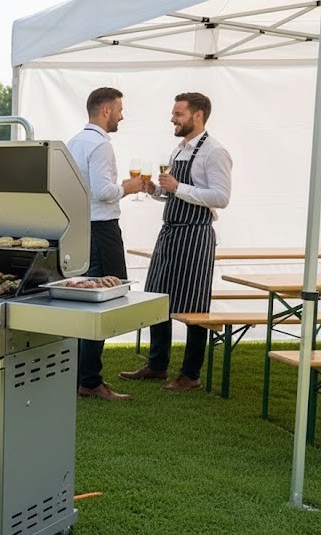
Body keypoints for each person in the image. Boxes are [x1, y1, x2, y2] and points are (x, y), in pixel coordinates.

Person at [120, 92, 232, 392]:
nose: (173, 118)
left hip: (196, 235)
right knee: (157, 298)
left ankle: (191, 374)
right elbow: (173, 193)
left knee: (194, 304)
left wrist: (179, 186)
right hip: (170, 231)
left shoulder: (215, 152)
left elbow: (221, 197)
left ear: (198, 116)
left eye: (178, 114)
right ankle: (157, 365)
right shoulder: (179, 149)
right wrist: (156, 189)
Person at [66, 87, 144, 401]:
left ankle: (78, 376)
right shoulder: (100, 145)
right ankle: (90, 381)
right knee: (104, 298)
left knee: (84, 302)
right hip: (102, 230)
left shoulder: (74, 142)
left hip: (81, 229)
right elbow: (103, 191)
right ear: (106, 111)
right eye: (120, 109)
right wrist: (128, 186)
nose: (122, 115)